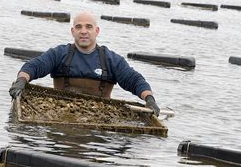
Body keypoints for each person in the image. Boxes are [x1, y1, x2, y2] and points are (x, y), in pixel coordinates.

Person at [8, 11, 160, 116]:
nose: (84, 31)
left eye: (89, 27)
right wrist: (21, 80)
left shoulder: (111, 60)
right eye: (79, 27)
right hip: (60, 114)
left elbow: (134, 80)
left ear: (97, 31)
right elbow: (35, 66)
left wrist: (150, 99)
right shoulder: (60, 54)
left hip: (100, 119)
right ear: (72, 31)